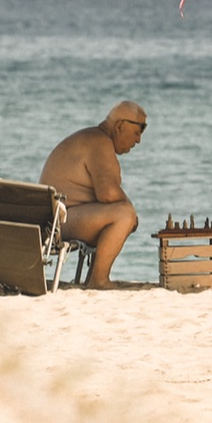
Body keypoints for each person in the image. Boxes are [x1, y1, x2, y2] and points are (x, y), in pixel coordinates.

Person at [39, 101, 146, 289]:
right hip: (57, 222)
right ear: (120, 126)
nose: (138, 141)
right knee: (124, 214)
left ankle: (93, 279)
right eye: (138, 132)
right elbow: (108, 193)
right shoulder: (99, 142)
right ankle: (98, 280)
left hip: (54, 218)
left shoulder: (92, 138)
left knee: (120, 211)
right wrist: (133, 214)